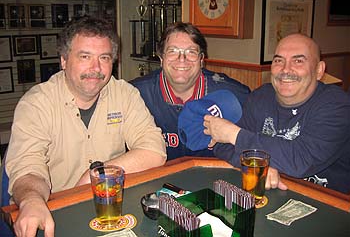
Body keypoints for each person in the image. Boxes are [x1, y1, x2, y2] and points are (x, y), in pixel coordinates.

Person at [5, 16, 166, 237]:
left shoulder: (125, 94)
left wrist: (96, 175)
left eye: (104, 57)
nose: (96, 68)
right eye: (85, 57)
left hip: (111, 209)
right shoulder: (36, 104)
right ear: (63, 60)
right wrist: (32, 200)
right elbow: (27, 166)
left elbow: (155, 151)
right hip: (56, 211)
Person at [204, 33, 350, 194]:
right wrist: (256, 165)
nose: (286, 70)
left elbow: (300, 159)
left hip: (328, 203)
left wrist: (234, 135)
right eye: (279, 60)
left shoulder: (337, 105)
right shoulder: (261, 96)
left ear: (319, 70)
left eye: (298, 61)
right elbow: (220, 144)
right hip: (273, 194)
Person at [130, 22, 250, 160]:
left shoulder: (235, 95)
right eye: (173, 51)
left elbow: (253, 147)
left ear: (201, 59)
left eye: (191, 52)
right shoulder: (136, 94)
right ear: (162, 59)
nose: (182, 59)